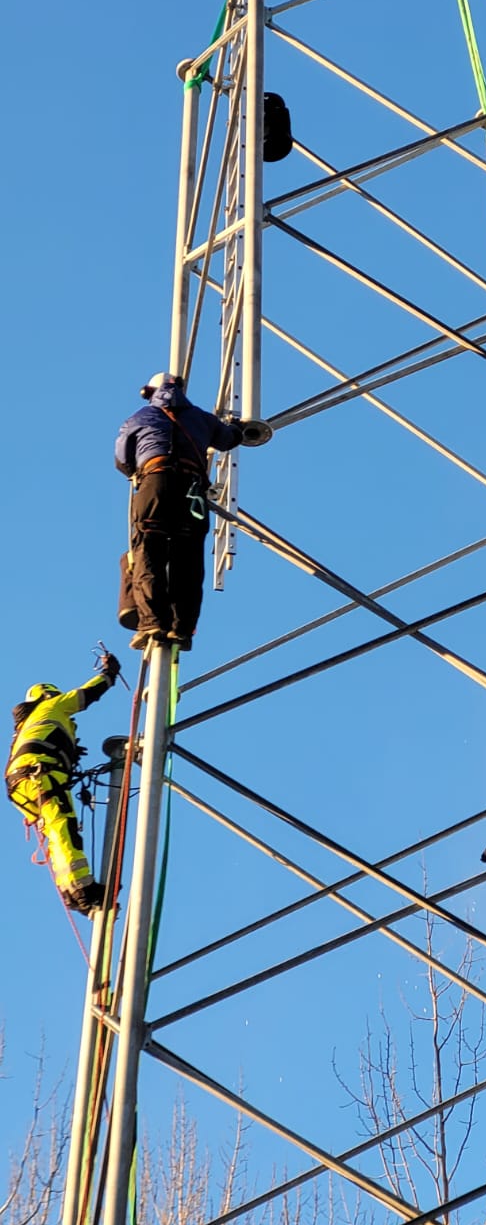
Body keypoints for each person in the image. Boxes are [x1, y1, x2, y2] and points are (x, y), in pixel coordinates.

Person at [115, 374, 245, 651]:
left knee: (148, 552)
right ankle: (181, 629)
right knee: (188, 559)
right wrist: (236, 428)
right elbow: (228, 439)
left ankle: (152, 623)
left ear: (149, 392)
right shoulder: (202, 418)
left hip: (155, 483)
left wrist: (137, 469)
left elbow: (123, 459)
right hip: (191, 490)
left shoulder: (139, 418)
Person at [5, 653, 120, 915]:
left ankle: (71, 890)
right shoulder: (51, 705)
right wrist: (109, 674)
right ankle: (82, 889)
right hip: (40, 775)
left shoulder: (28, 724)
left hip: (22, 785)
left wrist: (67, 750)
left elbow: (44, 740)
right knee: (63, 827)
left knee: (58, 833)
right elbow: (84, 695)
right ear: (47, 695)